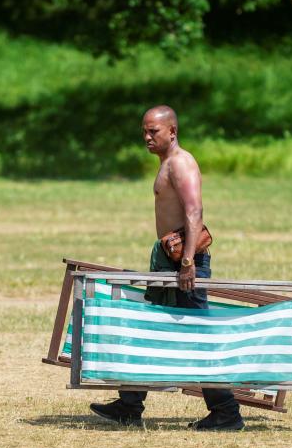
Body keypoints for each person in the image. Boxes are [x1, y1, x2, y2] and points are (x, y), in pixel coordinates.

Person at [88, 105, 245, 431]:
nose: (146, 137)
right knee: (148, 330)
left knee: (199, 336)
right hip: (167, 262)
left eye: (153, 131)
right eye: (144, 131)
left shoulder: (181, 163)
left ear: (172, 131)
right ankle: (129, 406)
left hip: (183, 264)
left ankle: (227, 413)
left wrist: (187, 263)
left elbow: (194, 211)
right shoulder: (166, 164)